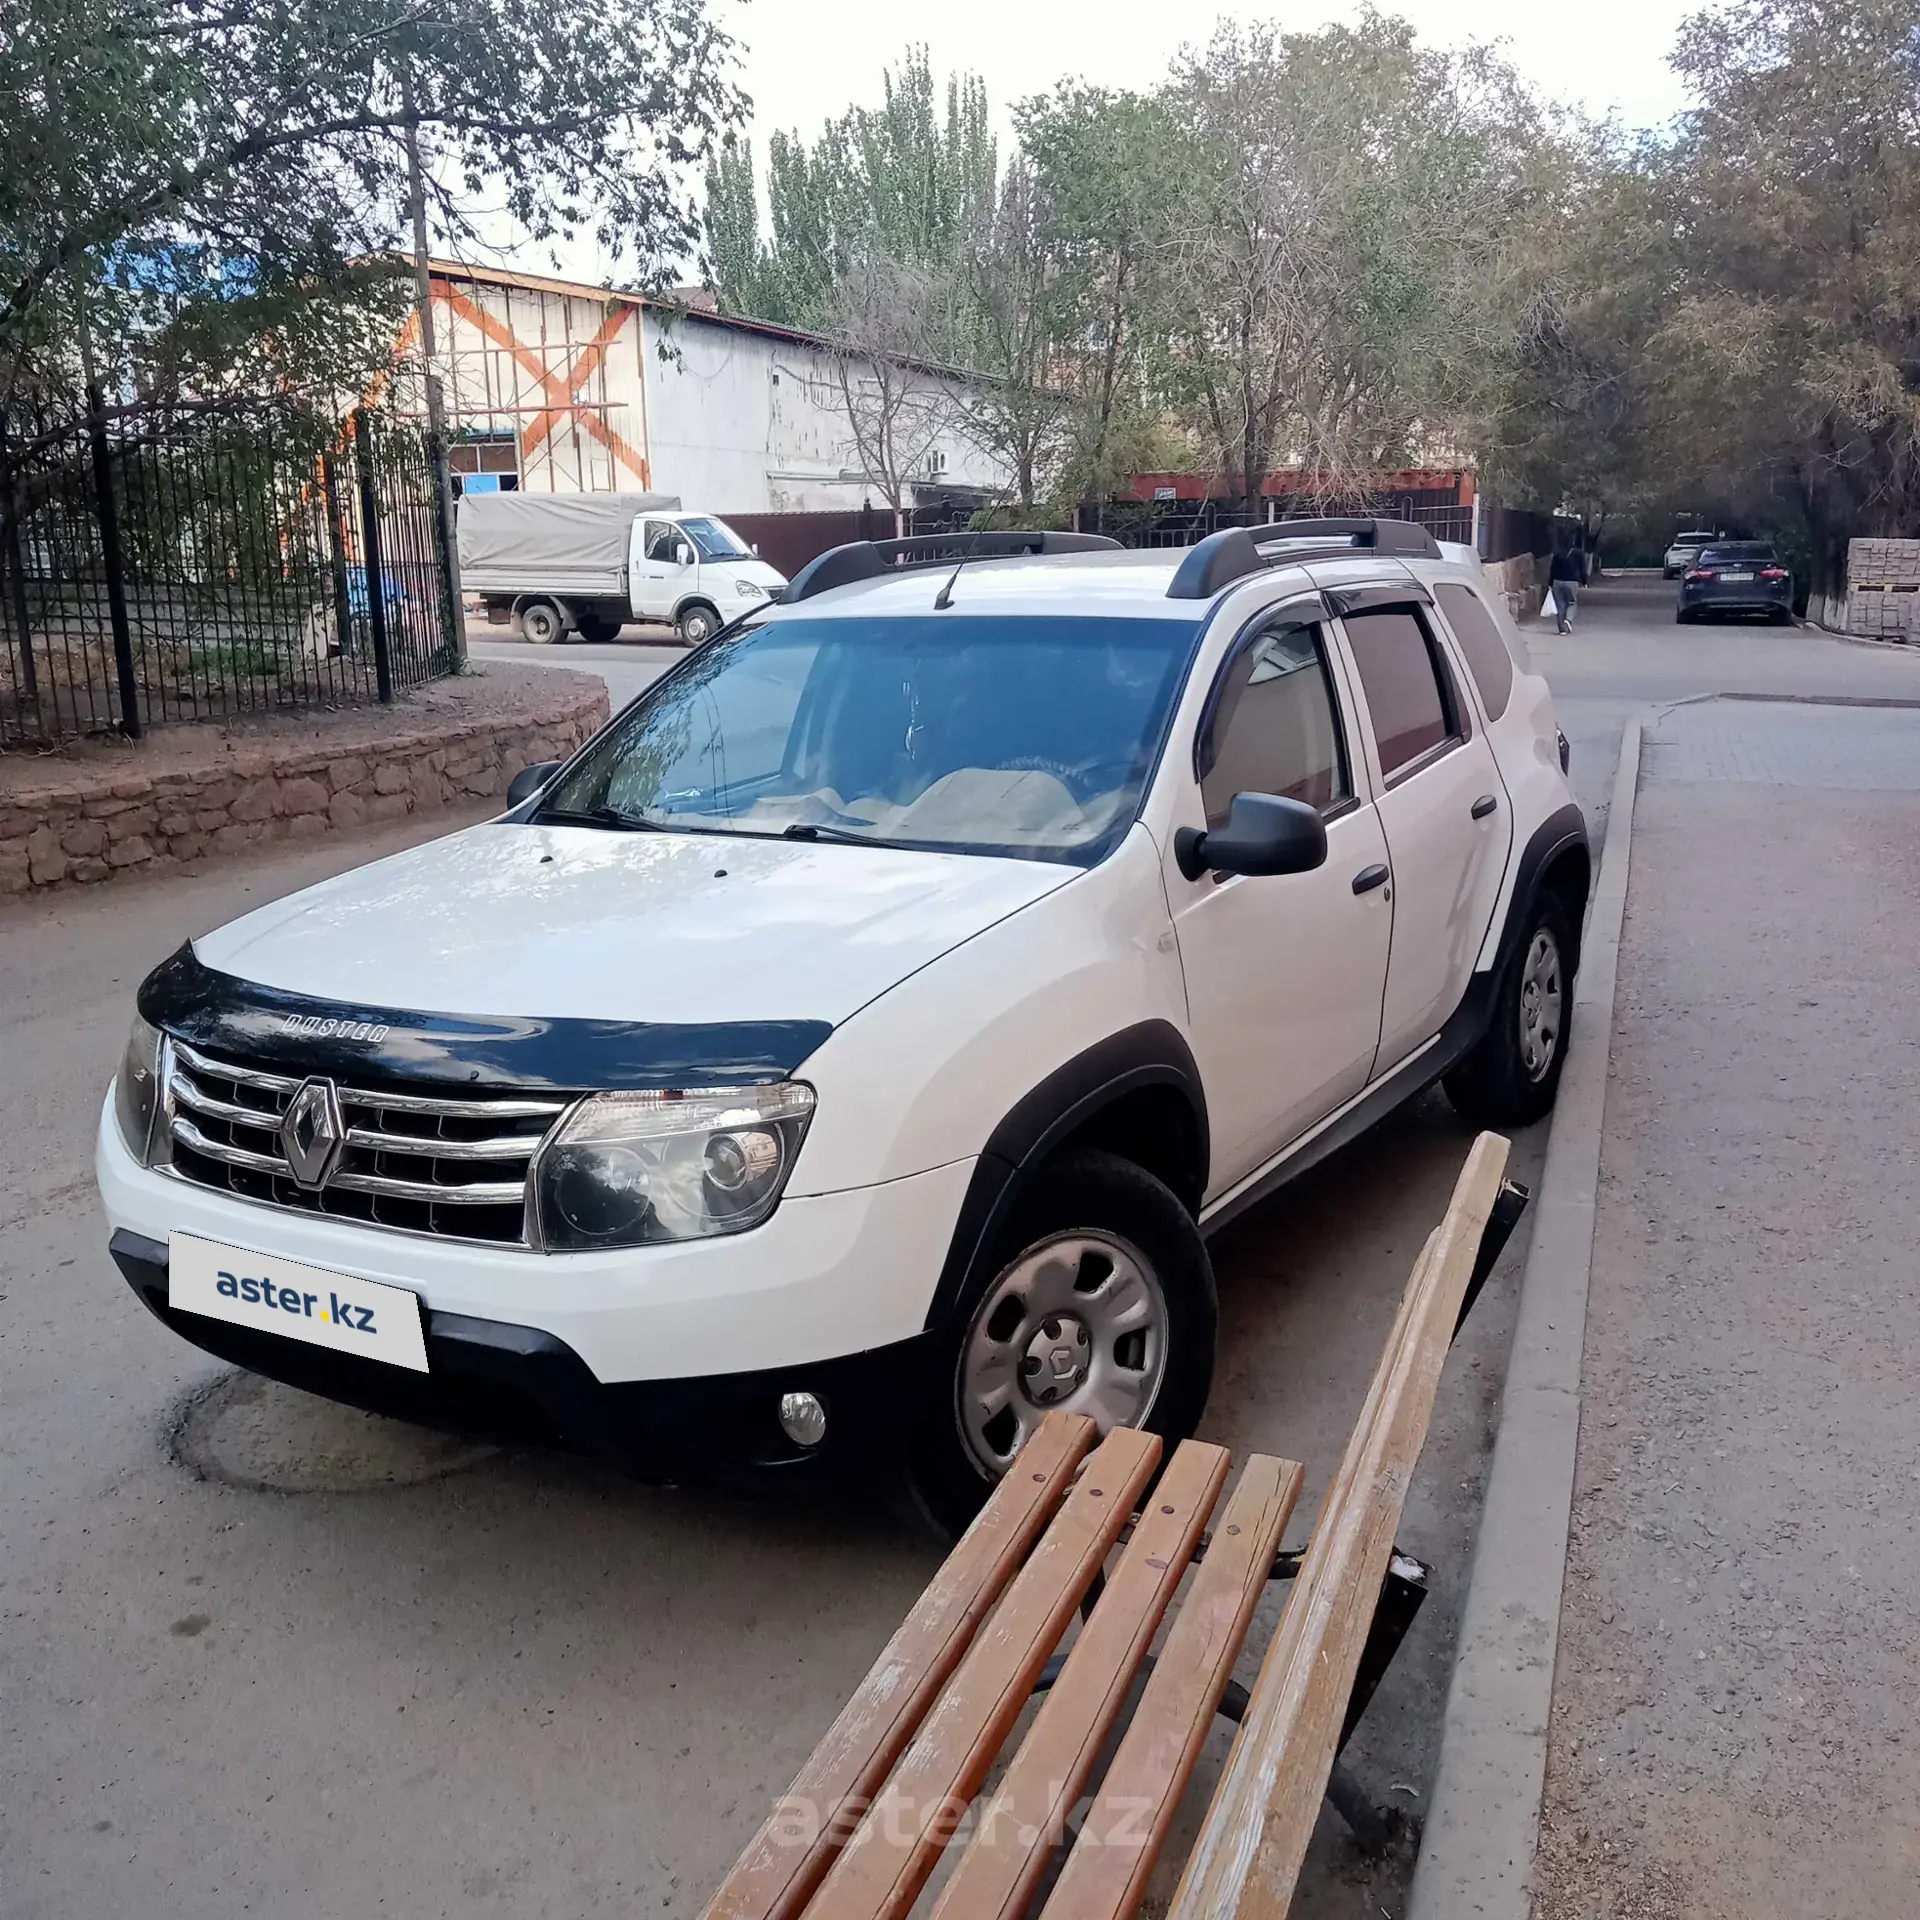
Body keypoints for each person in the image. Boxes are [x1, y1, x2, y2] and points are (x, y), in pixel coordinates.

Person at [1549, 540, 1587, 633]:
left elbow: (1552, 569)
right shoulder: (1578, 553)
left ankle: (1562, 629)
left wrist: (1550, 583)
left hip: (1558, 581)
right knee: (1572, 603)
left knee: (1560, 605)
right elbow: (1582, 568)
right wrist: (1584, 581)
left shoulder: (1557, 554)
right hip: (1572, 581)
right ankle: (1568, 619)